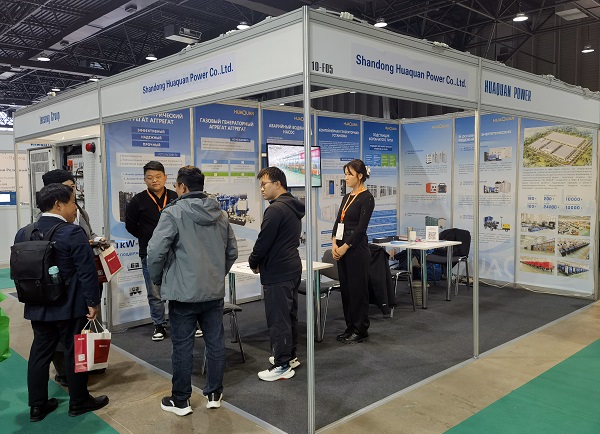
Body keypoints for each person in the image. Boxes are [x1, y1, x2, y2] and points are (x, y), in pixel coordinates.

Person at [147, 166, 238, 415]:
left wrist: (158, 279)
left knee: (182, 346)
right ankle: (214, 393)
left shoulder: (173, 213)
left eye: (176, 186)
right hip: (213, 291)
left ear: (183, 187)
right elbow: (232, 251)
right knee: (215, 342)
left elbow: (155, 252)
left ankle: (181, 400)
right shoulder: (220, 213)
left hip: (183, 292)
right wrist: (216, 274)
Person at [14, 183, 109, 422]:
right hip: (69, 305)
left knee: (39, 353)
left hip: (37, 305)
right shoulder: (72, 232)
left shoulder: (24, 232)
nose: (76, 208)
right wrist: (93, 302)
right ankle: (79, 401)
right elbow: (86, 271)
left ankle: (37, 406)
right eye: (72, 202)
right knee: (74, 352)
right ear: (58, 205)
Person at [40, 169, 109, 386]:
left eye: (74, 186)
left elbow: (88, 233)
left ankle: (90, 364)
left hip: (85, 278)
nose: (74, 191)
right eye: (69, 187)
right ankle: (66, 373)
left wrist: (95, 240)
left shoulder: (80, 210)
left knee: (84, 328)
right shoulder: (44, 219)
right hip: (62, 283)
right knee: (64, 335)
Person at [249, 167, 305, 381]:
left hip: (278, 270)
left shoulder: (275, 209)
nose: (262, 189)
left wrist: (254, 261)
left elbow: (263, 241)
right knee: (289, 315)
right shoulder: (292, 206)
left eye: (265, 184)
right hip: (290, 267)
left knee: (278, 319)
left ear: (278, 184)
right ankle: (290, 356)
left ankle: (282, 365)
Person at [125, 161, 177, 341]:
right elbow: (130, 225)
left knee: (178, 288)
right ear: (144, 180)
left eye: (158, 176)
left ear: (165, 177)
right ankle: (159, 324)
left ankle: (182, 322)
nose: (154, 180)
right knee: (155, 291)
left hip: (175, 251)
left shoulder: (175, 197)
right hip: (149, 252)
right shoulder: (138, 200)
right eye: (150, 177)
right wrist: (147, 237)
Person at [332, 159, 374, 344]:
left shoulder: (367, 198)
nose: (346, 177)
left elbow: (360, 229)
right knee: (347, 290)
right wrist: (334, 243)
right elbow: (338, 222)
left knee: (358, 291)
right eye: (345, 174)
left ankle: (360, 329)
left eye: (349, 174)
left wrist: (344, 247)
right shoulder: (347, 197)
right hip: (342, 247)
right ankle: (350, 327)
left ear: (360, 175)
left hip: (356, 249)